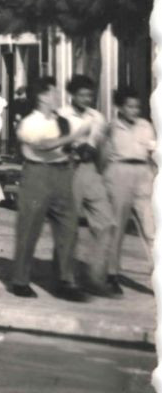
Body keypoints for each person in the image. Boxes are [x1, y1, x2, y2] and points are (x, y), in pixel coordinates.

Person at [8, 76, 94, 301]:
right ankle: (20, 281)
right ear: (42, 96)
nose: (57, 96)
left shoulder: (61, 120)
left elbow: (68, 145)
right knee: (29, 229)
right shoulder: (30, 122)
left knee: (69, 228)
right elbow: (43, 145)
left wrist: (79, 147)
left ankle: (66, 280)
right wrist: (72, 136)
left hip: (63, 174)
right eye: (53, 92)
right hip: (37, 174)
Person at [62, 75, 119, 297]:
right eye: (82, 94)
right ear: (73, 94)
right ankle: (66, 279)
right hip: (69, 171)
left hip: (91, 171)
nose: (87, 98)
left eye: (90, 94)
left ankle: (96, 277)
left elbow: (104, 145)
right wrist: (73, 149)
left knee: (107, 222)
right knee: (68, 227)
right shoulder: (62, 116)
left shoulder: (98, 117)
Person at [103, 87, 155, 289]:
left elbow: (153, 152)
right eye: (129, 106)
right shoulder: (111, 128)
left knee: (151, 229)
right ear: (120, 107)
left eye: (137, 106)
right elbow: (104, 156)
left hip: (143, 175)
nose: (134, 110)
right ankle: (112, 273)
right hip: (119, 174)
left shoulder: (146, 126)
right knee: (116, 226)